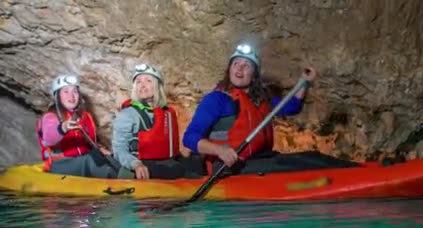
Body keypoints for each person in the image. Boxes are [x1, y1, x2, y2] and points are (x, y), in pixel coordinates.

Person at [183, 43, 359, 175]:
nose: (240, 68)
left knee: (312, 156)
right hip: (229, 167)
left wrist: (304, 82)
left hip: (261, 159)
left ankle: (360, 170)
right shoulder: (216, 100)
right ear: (229, 69)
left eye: (247, 65)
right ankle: (354, 175)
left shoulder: (261, 100)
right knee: (297, 165)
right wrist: (220, 151)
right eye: (236, 63)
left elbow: (292, 106)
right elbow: (189, 138)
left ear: (254, 75)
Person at [112, 64, 205, 179]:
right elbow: (119, 150)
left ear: (158, 86)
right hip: (141, 167)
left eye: (148, 81)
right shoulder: (127, 115)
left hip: (167, 165)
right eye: (139, 82)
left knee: (195, 164)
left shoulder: (167, 113)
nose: (142, 85)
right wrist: (136, 164)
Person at [36, 74, 118, 178]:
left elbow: (89, 144)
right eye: (66, 91)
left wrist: (100, 150)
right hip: (60, 164)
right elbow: (49, 138)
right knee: (89, 160)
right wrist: (63, 128)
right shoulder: (51, 117)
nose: (71, 96)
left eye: (74, 91)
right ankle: (116, 180)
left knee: (107, 157)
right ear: (57, 96)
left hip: (81, 161)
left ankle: (129, 176)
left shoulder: (85, 117)